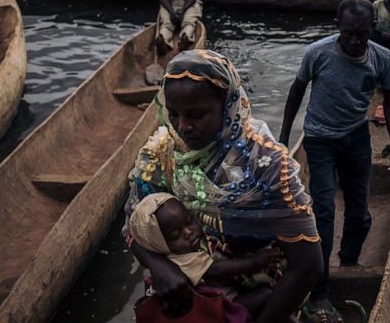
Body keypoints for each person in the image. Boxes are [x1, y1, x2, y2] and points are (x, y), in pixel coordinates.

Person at [125, 49, 323, 323]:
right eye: (173, 114)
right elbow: (135, 227)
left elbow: (307, 267)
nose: (183, 127)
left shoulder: (267, 165)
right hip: (189, 289)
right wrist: (160, 267)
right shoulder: (162, 153)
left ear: (226, 103)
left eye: (196, 115)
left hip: (261, 293)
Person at [279, 0, 390, 322]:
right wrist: (283, 138)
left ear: (371, 30)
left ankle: (348, 261)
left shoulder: (382, 58)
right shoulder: (317, 53)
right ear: (338, 28)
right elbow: (297, 91)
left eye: (361, 35)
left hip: (356, 137)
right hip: (319, 139)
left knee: (360, 214)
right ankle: (320, 291)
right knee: (322, 211)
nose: (354, 41)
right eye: (348, 34)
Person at [129, 193, 284, 320]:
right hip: (219, 305)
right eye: (176, 235)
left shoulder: (177, 252)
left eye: (189, 221)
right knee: (268, 294)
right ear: (159, 243)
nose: (188, 232)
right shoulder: (182, 260)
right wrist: (256, 262)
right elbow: (215, 270)